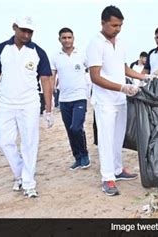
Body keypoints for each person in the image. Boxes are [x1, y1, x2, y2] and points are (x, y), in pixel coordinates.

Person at [0, 16, 53, 198]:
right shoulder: (0, 49)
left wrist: (49, 110)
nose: (27, 34)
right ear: (14, 28)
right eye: (23, 30)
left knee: (29, 143)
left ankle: (28, 183)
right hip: (6, 103)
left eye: (30, 31)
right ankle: (20, 172)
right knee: (3, 140)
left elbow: (46, 81)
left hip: (30, 103)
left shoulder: (38, 52)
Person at [86, 6, 157, 196]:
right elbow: (95, 76)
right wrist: (121, 87)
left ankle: (117, 170)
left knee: (118, 138)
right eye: (114, 25)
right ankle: (107, 178)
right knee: (106, 139)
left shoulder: (121, 43)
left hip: (120, 99)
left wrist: (143, 77)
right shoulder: (95, 44)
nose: (117, 29)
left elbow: (124, 68)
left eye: (120, 25)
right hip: (105, 101)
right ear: (103, 23)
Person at [50, 27, 90, 170]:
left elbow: (94, 70)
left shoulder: (82, 55)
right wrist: (49, 99)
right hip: (64, 99)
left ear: (73, 38)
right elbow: (51, 77)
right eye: (64, 38)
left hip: (80, 97)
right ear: (59, 39)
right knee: (69, 130)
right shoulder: (55, 57)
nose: (67, 40)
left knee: (76, 127)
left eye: (69, 37)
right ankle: (77, 158)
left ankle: (84, 155)